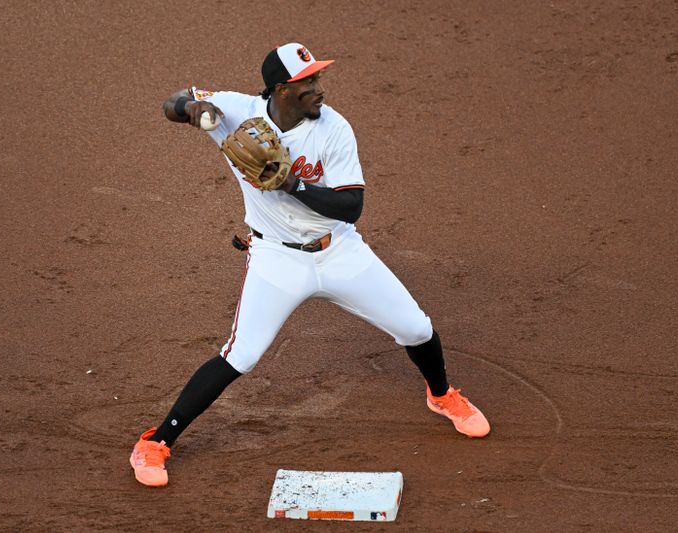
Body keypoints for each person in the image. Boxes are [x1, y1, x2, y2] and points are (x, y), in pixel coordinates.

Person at [129, 42, 490, 487]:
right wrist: (192, 109)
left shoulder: (334, 129)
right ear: (281, 89)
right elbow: (170, 102)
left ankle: (441, 395)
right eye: (308, 82)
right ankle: (155, 442)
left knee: (416, 328)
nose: (320, 89)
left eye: (318, 78)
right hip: (276, 257)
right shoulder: (235, 111)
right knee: (240, 354)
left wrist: (292, 184)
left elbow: (351, 207)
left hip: (338, 249)